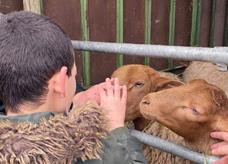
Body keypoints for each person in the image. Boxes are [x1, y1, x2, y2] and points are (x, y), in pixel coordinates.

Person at [0, 11, 147, 164]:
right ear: (60, 82)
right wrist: (115, 129)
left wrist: (73, 103)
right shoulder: (75, 154)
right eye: (74, 75)